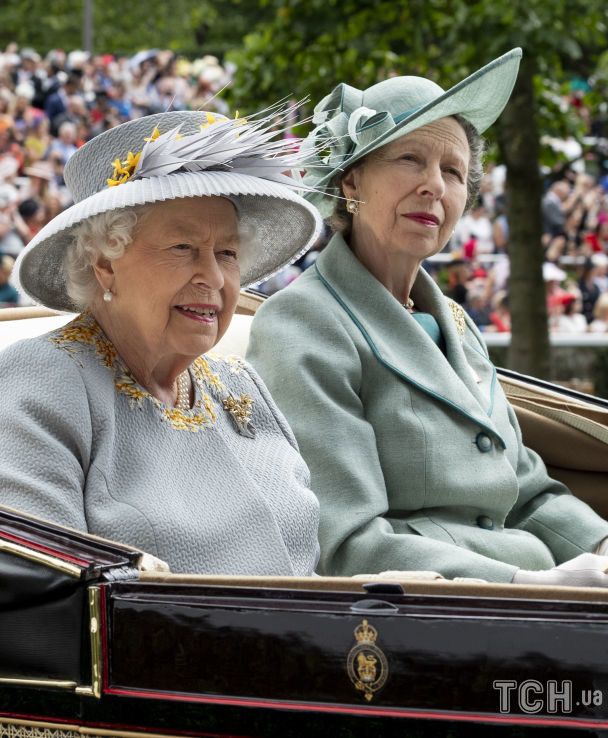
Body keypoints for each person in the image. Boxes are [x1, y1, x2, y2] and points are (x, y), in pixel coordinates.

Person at [248, 49, 608, 587]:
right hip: (438, 619)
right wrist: (523, 587)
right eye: (410, 159)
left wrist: (603, 548)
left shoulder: (457, 324)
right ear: (351, 182)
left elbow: (529, 492)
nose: (435, 186)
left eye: (453, 171)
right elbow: (346, 545)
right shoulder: (301, 324)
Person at [0, 106, 322, 576]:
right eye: (182, 248)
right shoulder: (42, 381)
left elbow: (310, 565)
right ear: (105, 263)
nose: (212, 276)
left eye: (227, 253)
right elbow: (42, 595)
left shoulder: (242, 384)